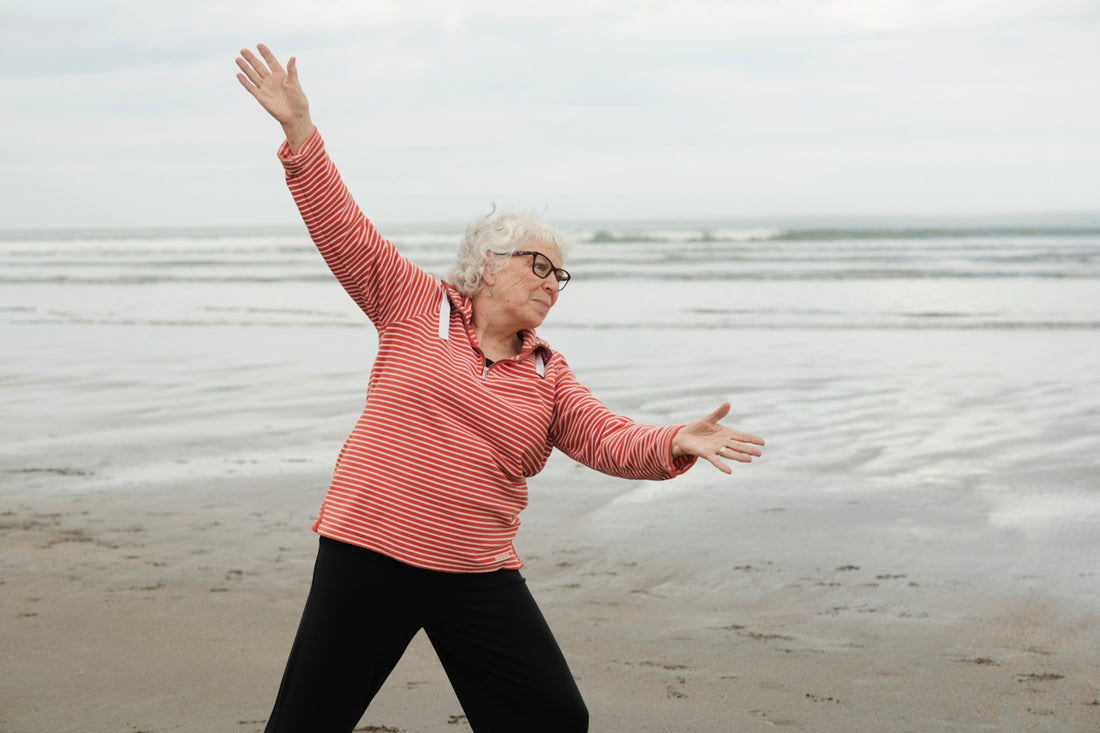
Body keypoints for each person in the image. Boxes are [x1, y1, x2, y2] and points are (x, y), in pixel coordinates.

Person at [235, 43, 765, 733]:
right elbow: (345, 231)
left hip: (473, 570)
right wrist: (300, 132)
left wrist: (673, 440)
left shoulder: (548, 372)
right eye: (539, 264)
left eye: (561, 274)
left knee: (552, 716)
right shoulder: (411, 303)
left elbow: (604, 436)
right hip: (370, 551)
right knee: (307, 721)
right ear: (487, 265)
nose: (552, 282)